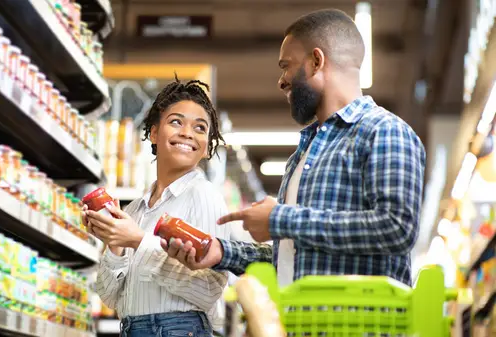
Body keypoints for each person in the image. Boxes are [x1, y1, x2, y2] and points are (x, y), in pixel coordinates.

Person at [163, 9, 426, 287]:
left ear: (316, 61)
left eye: (286, 65)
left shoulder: (384, 131)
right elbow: (290, 256)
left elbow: (397, 228)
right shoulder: (303, 154)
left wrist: (280, 218)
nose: (281, 80)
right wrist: (222, 252)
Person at [83, 77, 231, 337]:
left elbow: (209, 290)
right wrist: (115, 242)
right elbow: (109, 297)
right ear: (153, 132)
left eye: (200, 128)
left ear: (207, 147)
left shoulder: (205, 196)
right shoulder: (135, 210)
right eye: (176, 122)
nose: (187, 132)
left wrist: (139, 242)